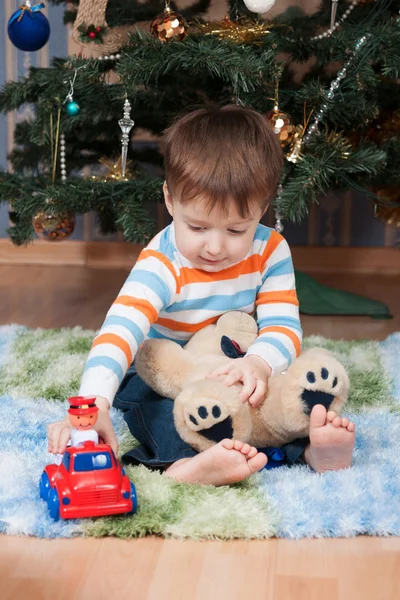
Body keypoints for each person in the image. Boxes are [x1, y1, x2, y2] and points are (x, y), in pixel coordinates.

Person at [48, 105, 355, 485]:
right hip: (166, 370)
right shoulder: (162, 263)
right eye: (197, 226)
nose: (214, 246)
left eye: (236, 230)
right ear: (170, 201)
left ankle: (311, 450)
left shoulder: (270, 250)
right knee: (162, 408)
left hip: (233, 362)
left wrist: (258, 363)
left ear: (262, 210)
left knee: (276, 396)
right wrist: (95, 403)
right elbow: (119, 332)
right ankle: (181, 466)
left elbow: (284, 327)